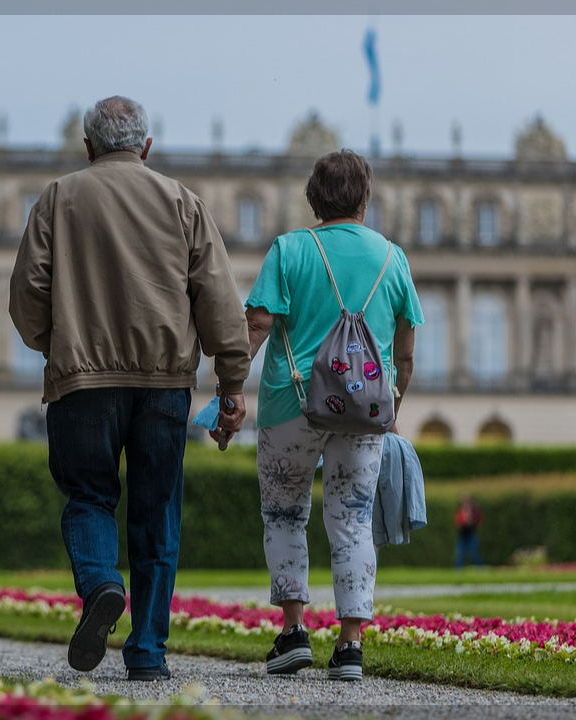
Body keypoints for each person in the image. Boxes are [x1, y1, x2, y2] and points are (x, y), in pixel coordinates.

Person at [10, 95, 251, 682]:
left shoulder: (59, 198)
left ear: (88, 146)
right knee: (156, 511)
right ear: (146, 146)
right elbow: (220, 301)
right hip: (164, 383)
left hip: (82, 382)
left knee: (88, 497)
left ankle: (100, 584)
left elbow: (27, 295)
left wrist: (57, 344)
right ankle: (146, 652)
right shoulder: (182, 201)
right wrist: (231, 384)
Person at [220, 149, 421, 682]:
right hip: (364, 409)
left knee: (284, 515)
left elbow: (257, 325)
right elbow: (405, 353)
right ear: (365, 199)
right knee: (352, 519)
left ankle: (293, 634)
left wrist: (230, 387)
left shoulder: (290, 249)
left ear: (313, 199)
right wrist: (392, 406)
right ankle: (350, 646)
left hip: (292, 403)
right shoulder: (392, 258)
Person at [454, 494, 483, 567]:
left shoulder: (474, 511)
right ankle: (458, 570)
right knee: (460, 554)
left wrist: (471, 521)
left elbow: (479, 521)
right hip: (462, 536)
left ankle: (480, 568)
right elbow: (458, 522)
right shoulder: (461, 511)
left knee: (475, 554)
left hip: (471, 535)